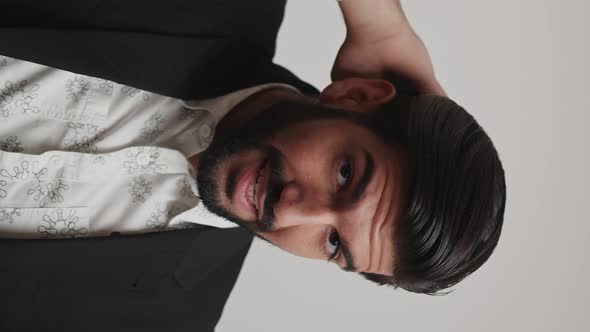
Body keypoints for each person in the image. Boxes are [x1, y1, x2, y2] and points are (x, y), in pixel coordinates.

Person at [0, 0, 505, 330]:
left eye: (334, 243)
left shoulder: (161, 318)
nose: (293, 211)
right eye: (345, 175)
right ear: (356, 95)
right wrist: (380, 23)